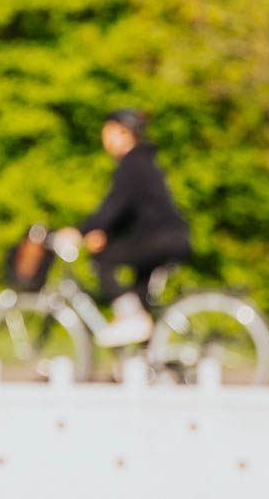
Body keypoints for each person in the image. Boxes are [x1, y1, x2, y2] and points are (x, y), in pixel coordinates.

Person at [56, 108, 192, 347]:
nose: (104, 139)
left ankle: (133, 319)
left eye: (107, 132)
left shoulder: (133, 163)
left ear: (124, 132)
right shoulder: (143, 161)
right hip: (168, 237)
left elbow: (113, 206)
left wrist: (81, 231)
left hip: (161, 239)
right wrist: (104, 232)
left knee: (103, 258)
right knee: (140, 300)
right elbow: (131, 211)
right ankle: (145, 360)